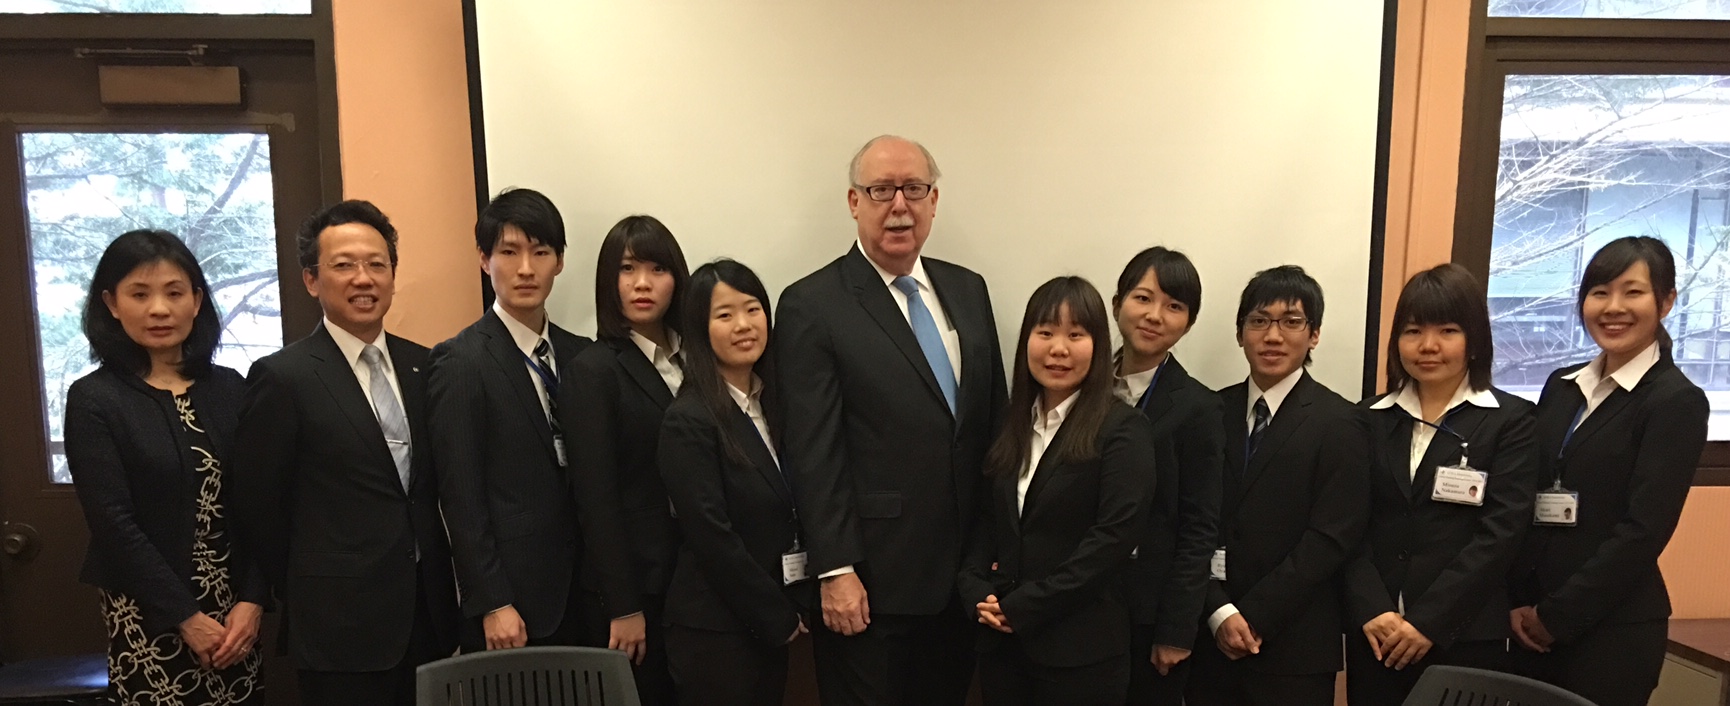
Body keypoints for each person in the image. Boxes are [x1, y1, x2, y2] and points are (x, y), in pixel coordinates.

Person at [776, 135, 1007, 706]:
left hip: (963, 584)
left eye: (914, 189)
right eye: (881, 190)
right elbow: (812, 450)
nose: (899, 204)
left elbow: (994, 425)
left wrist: (1003, 547)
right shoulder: (812, 303)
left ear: (934, 201)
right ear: (854, 202)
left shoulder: (968, 290)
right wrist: (834, 569)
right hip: (871, 586)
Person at [232, 201, 461, 706]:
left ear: (393, 275)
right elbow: (259, 504)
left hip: (429, 614)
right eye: (344, 265)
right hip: (339, 624)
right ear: (312, 280)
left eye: (377, 264)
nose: (364, 278)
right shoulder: (284, 377)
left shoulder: (426, 365)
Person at [427, 188, 637, 659]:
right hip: (515, 606)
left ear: (559, 261)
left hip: (588, 597)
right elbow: (460, 499)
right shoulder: (460, 362)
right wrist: (492, 600)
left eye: (540, 252)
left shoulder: (585, 354)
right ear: (484, 260)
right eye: (509, 252)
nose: (526, 268)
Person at [65, 229, 265, 705]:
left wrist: (254, 602)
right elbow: (113, 522)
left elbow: (262, 504)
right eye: (140, 294)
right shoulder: (95, 399)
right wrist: (186, 618)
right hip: (148, 611)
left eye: (174, 293)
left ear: (196, 301)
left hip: (236, 616)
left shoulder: (232, 388)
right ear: (112, 304)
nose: (159, 309)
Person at [1507, 236, 1708, 706]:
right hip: (1530, 619)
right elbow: (1529, 494)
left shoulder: (1675, 401)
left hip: (1611, 631)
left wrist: (1556, 616)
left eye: (1632, 292)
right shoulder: (1562, 386)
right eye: (1599, 292)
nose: (1613, 307)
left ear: (1667, 301)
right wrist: (1517, 599)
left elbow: (1644, 529)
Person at [1343, 263, 1539, 705]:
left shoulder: (1512, 422)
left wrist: (1428, 622)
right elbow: (1344, 525)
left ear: (1474, 341)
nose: (1428, 346)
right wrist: (1372, 608)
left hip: (1463, 636)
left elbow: (1501, 534)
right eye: (1413, 331)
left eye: (1448, 330)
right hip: (1376, 635)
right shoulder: (1366, 418)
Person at [958, 276, 1157, 706]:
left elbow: (1111, 541)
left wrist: (1024, 606)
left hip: (1081, 655)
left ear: (1098, 345)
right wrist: (975, 590)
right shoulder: (1011, 423)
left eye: (1075, 334)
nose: (1058, 349)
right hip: (1003, 649)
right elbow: (989, 521)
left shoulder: (1122, 429)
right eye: (1045, 332)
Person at [1186, 265, 1370, 706]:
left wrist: (1251, 617)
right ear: (1240, 332)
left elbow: (1330, 537)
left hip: (1296, 647)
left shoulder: (1341, 421)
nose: (1273, 336)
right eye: (1259, 321)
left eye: (1291, 322)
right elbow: (1189, 520)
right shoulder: (1211, 411)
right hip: (1210, 641)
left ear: (1315, 334)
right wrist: (1220, 612)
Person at [657, 259, 812, 706]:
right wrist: (776, 616)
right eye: (724, 315)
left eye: (753, 309)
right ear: (699, 329)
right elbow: (712, 537)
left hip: (766, 625)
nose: (743, 325)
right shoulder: (688, 420)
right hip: (716, 631)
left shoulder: (771, 406)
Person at [563, 214, 691, 705]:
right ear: (607, 281)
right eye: (627, 268)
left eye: (657, 268)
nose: (642, 283)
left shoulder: (695, 361)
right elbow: (596, 499)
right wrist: (623, 606)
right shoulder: (593, 371)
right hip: (638, 592)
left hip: (696, 583)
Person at [1108, 247, 1224, 705]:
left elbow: (1199, 528)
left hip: (1146, 615)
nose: (1155, 316)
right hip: (1073, 610)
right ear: (1117, 302)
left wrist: (1176, 630)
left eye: (1174, 306)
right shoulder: (1080, 384)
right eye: (1142, 298)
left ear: (1188, 323)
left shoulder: (1198, 408)